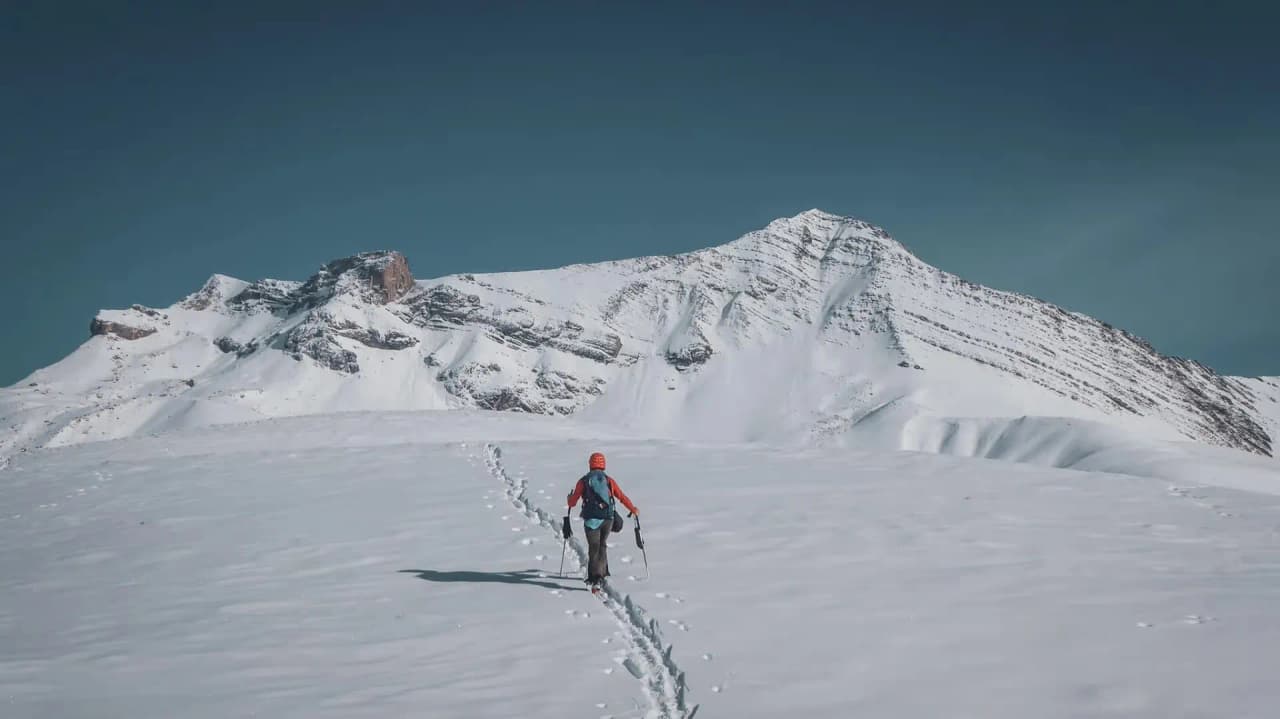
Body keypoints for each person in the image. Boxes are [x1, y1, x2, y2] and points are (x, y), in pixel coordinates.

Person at [566, 451, 638, 588]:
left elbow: (572, 503)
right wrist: (632, 509)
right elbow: (621, 497)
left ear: (590, 464)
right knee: (602, 544)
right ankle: (603, 572)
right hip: (608, 519)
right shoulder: (608, 480)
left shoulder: (583, 481)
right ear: (603, 464)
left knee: (594, 548)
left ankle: (595, 579)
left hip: (592, 520)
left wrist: (569, 499)